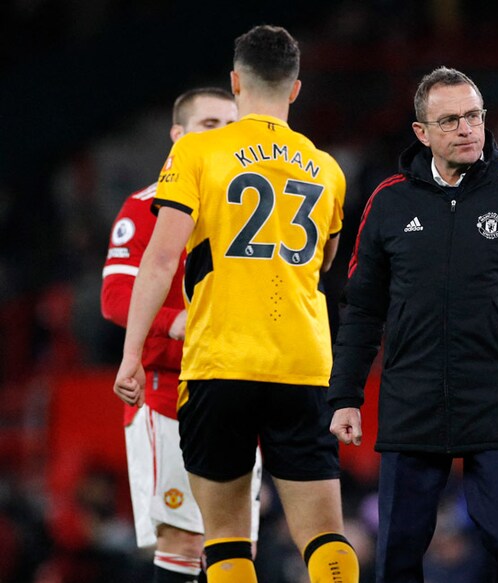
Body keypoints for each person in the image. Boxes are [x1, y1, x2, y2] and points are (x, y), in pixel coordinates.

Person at [327, 66, 498, 583]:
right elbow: (362, 308)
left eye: (474, 116)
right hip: (414, 401)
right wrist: (345, 395)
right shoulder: (388, 202)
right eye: (449, 120)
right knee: (399, 547)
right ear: (421, 133)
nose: (467, 129)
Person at [112, 25, 358, 583]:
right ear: (295, 89)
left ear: (235, 82)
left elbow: (158, 259)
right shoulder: (329, 169)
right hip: (302, 366)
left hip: (220, 362)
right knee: (324, 536)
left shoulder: (198, 151)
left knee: (224, 538)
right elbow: (324, 267)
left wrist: (131, 354)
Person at [101, 87, 263, 583]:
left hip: (236, 389)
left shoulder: (248, 209)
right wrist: (179, 322)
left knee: (236, 547)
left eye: (230, 126)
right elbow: (115, 298)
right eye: (208, 124)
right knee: (184, 539)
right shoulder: (146, 206)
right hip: (168, 393)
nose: (221, 136)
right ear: (178, 135)